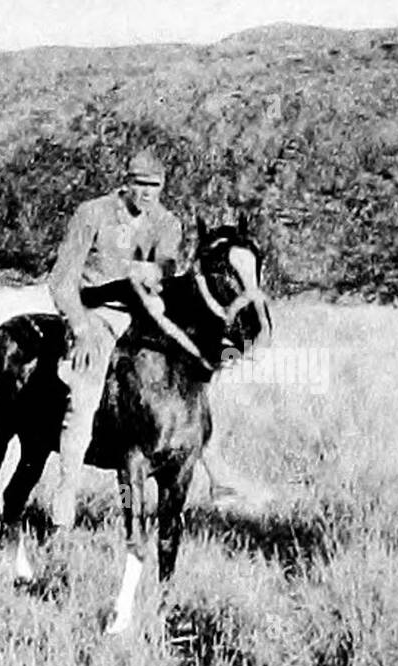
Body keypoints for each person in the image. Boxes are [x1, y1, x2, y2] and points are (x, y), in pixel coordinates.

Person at [47, 150, 256, 528]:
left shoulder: (166, 221)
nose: (147, 193)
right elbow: (62, 279)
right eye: (140, 185)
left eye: (155, 186)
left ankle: (216, 467)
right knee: (86, 385)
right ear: (126, 182)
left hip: (145, 313)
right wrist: (78, 327)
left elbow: (168, 267)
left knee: (194, 370)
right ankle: (67, 483)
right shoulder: (91, 213)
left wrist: (157, 269)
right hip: (98, 311)